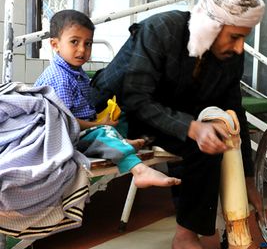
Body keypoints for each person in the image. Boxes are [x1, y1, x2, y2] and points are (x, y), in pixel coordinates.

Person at [90, 0, 267, 249]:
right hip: (124, 112)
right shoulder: (162, 30)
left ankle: (222, 237)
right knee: (201, 139)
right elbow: (135, 98)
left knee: (217, 132)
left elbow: (235, 113)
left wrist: (248, 177)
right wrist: (193, 129)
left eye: (243, 38)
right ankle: (186, 240)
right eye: (235, 36)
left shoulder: (230, 55)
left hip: (177, 110)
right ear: (210, 25)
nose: (239, 47)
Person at [35, 10, 181, 189]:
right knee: (102, 131)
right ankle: (140, 170)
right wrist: (98, 125)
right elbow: (65, 122)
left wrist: (101, 120)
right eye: (74, 42)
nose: (82, 49)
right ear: (55, 44)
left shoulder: (75, 73)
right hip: (61, 138)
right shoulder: (59, 78)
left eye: (88, 43)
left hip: (77, 131)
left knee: (119, 118)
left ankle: (120, 143)